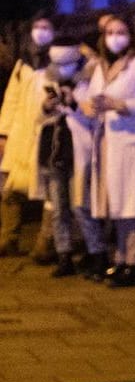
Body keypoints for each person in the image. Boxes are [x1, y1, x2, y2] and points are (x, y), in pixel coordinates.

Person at [87, 12, 135, 287]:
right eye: (109, 33)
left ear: (131, 36)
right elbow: (92, 94)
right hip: (110, 141)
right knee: (117, 203)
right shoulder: (103, 66)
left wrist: (121, 105)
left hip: (134, 142)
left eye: (120, 32)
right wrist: (93, 104)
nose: (114, 38)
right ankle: (121, 258)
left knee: (133, 202)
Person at [36, 36, 104, 277]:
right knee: (58, 208)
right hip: (52, 150)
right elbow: (36, 113)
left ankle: (97, 252)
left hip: (77, 149)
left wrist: (73, 102)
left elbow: (92, 114)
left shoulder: (89, 78)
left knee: (80, 205)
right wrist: (47, 106)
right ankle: (64, 255)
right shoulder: (44, 77)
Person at [0, 13, 55, 258]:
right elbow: (11, 99)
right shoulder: (23, 64)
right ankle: (8, 237)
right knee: (9, 188)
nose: (41, 31)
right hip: (20, 134)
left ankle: (46, 241)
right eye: (37, 27)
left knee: (49, 190)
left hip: (47, 134)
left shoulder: (60, 61)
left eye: (46, 27)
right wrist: (3, 133)